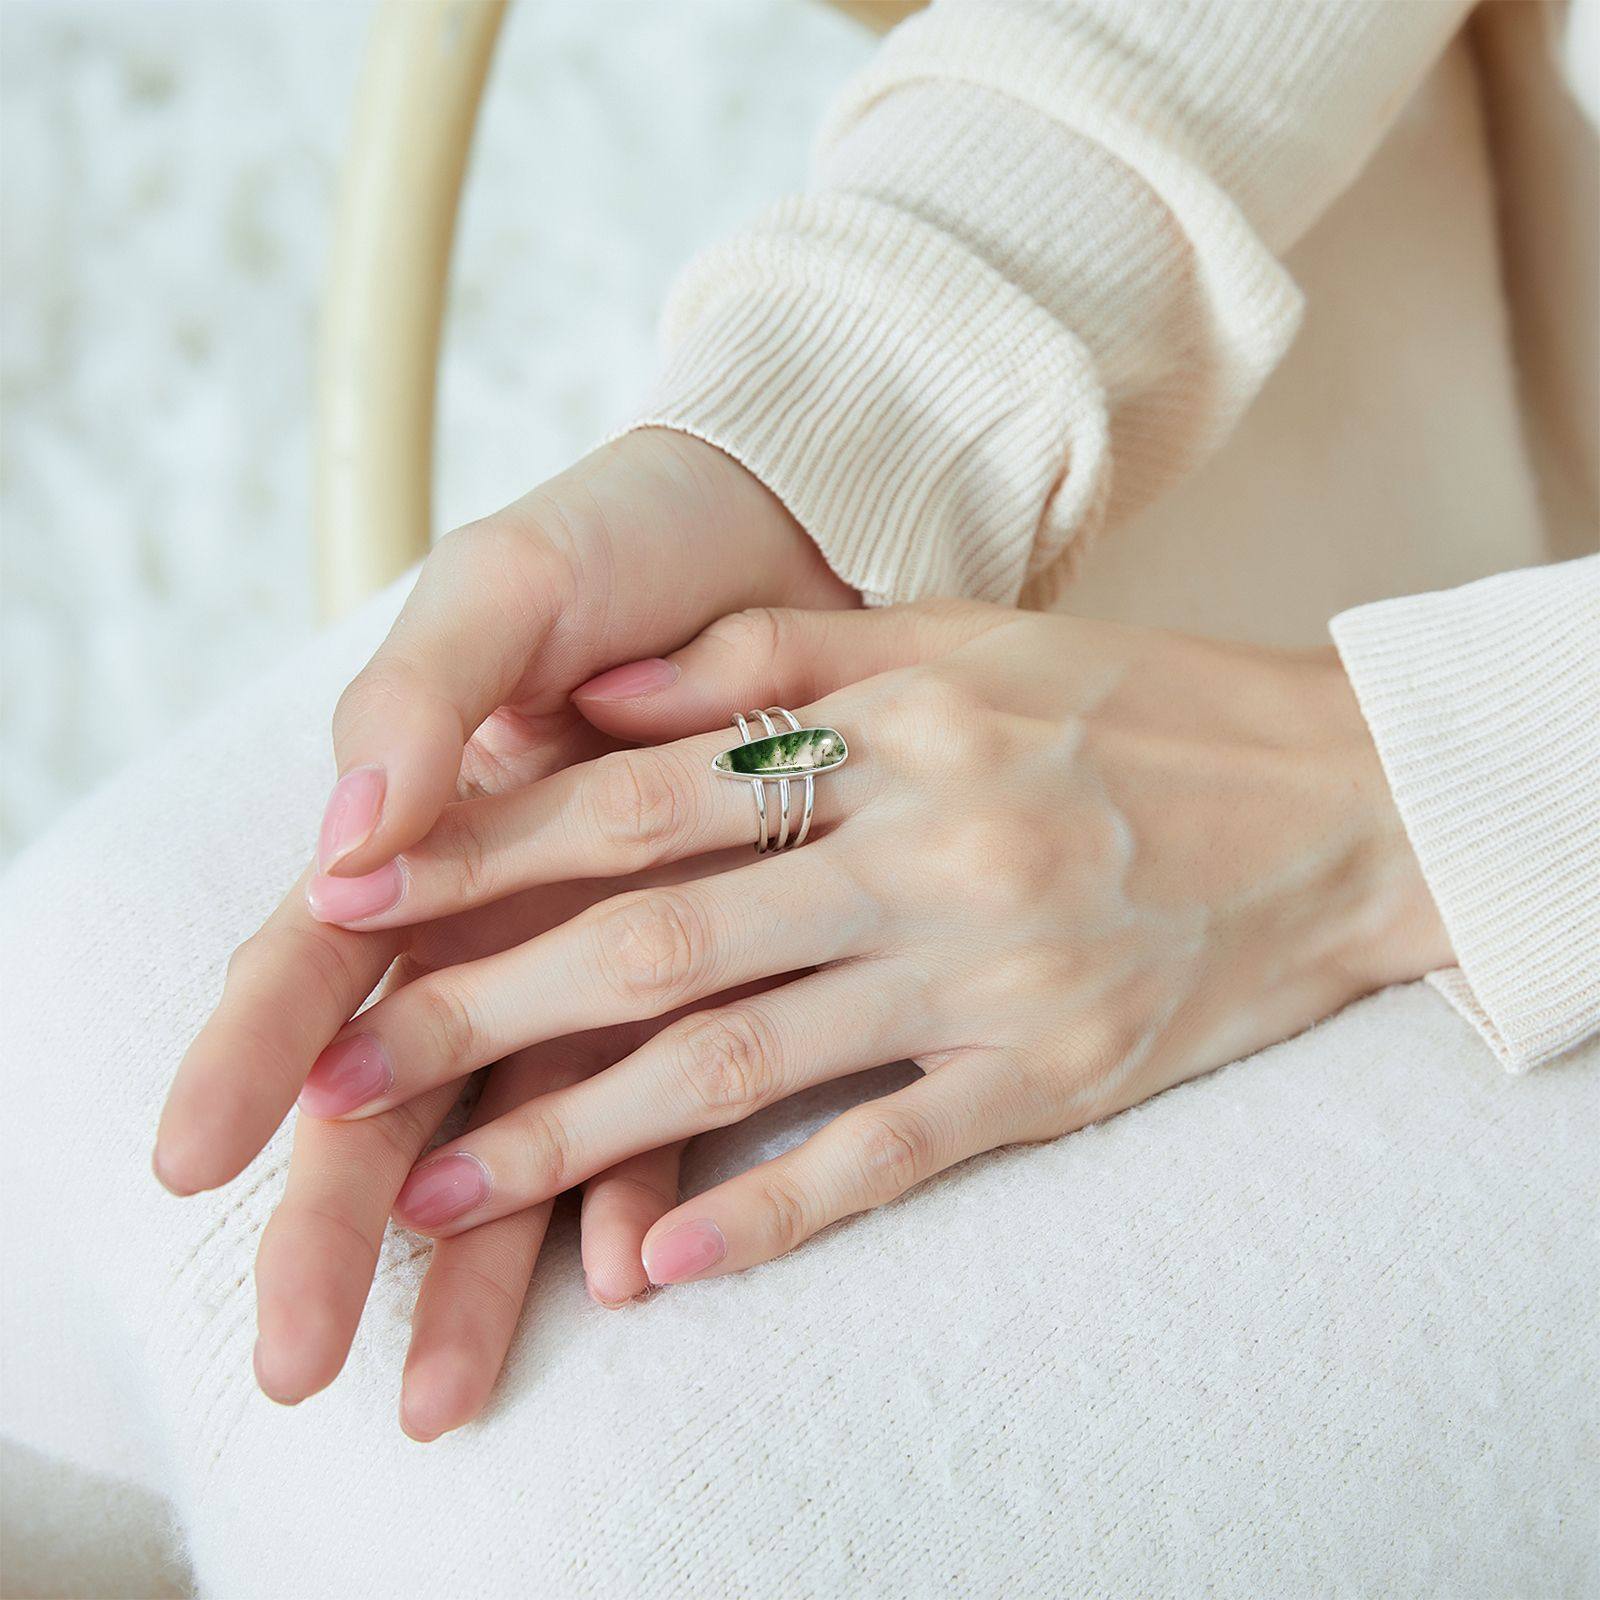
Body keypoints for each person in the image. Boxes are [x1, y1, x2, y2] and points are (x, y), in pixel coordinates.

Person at [3, 2, 1595, 1596]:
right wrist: (835, 432)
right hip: (1465, 259)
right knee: (86, 1007)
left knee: (600, 1526)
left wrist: (1401, 787)